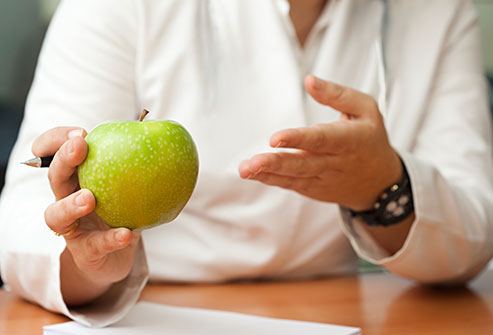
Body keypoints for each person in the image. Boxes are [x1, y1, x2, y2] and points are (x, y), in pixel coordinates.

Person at [0, 0, 492, 328]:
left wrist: (385, 189)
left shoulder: (440, 11)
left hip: (331, 312)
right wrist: (95, 261)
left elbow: (476, 229)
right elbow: (21, 221)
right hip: (152, 313)